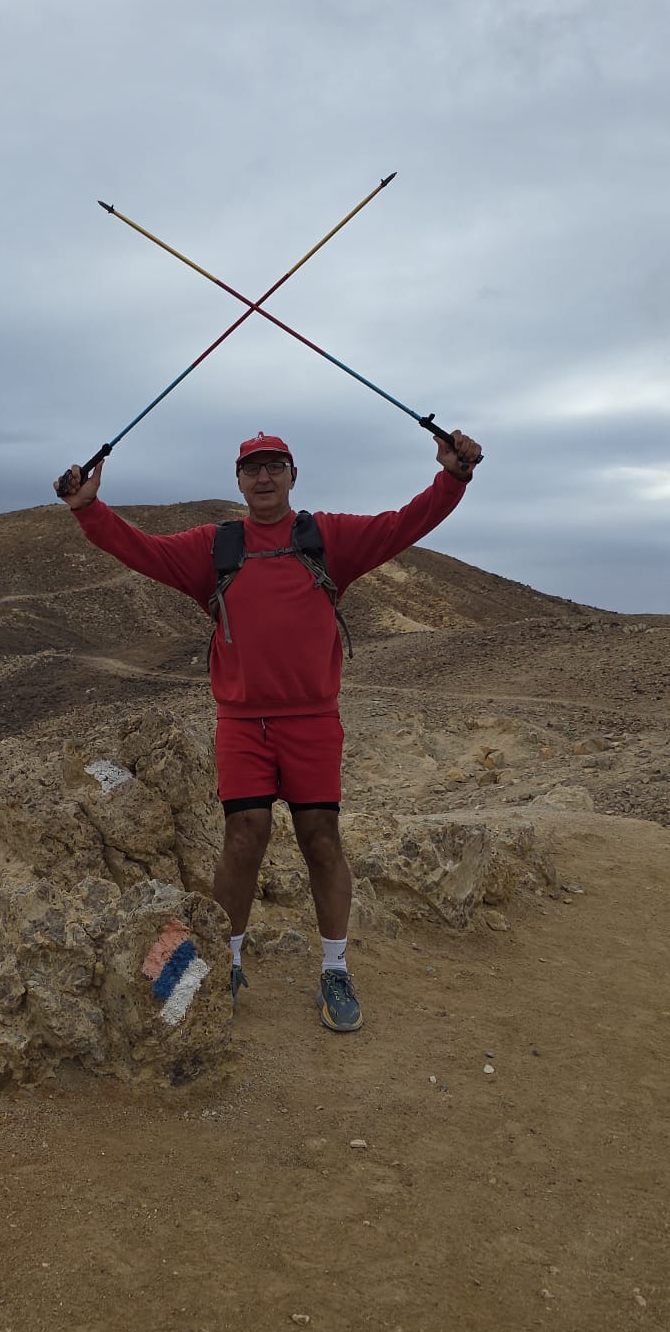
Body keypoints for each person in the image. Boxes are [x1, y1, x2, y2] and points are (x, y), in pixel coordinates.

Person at [60, 426, 482, 1032]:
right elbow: (141, 550)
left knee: (321, 839)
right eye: (252, 468)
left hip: (313, 721)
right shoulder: (215, 547)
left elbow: (402, 525)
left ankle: (334, 969)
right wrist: (88, 509)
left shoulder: (327, 538)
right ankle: (224, 964)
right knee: (243, 836)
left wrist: (453, 478)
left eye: (274, 466)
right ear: (238, 481)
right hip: (242, 723)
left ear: (292, 475)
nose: (264, 477)